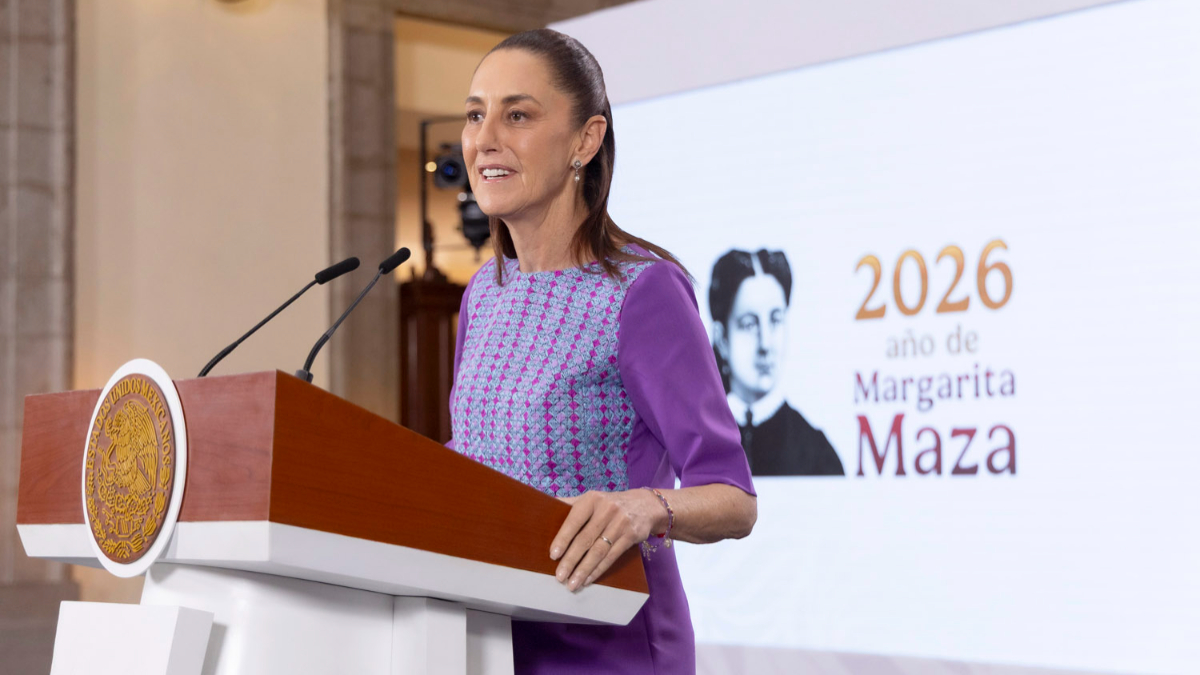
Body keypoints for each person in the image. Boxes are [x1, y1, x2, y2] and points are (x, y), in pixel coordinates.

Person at [446, 28, 757, 675]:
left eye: (518, 114)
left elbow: (733, 495)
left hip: (607, 648)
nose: (485, 139)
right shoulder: (484, 292)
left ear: (585, 140)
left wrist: (644, 506)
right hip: (482, 643)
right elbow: (474, 459)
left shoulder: (643, 291)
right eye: (476, 115)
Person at [708, 249, 844, 476]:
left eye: (775, 320)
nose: (765, 344)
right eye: (749, 324)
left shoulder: (816, 452)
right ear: (722, 338)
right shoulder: (701, 442)